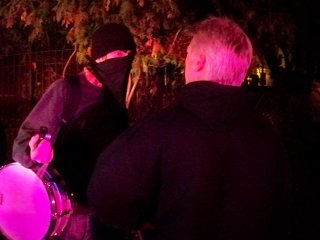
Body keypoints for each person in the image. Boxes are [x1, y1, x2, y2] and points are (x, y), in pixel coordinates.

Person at [87, 16, 293, 240]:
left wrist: (145, 221)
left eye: (187, 55)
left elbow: (104, 194)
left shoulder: (157, 132)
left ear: (198, 62)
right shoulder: (270, 140)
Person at [11, 23, 136, 239]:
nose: (124, 59)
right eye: (118, 53)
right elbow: (22, 144)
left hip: (107, 214)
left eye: (128, 53)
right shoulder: (67, 90)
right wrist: (34, 154)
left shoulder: (115, 100)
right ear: (100, 57)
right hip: (72, 219)